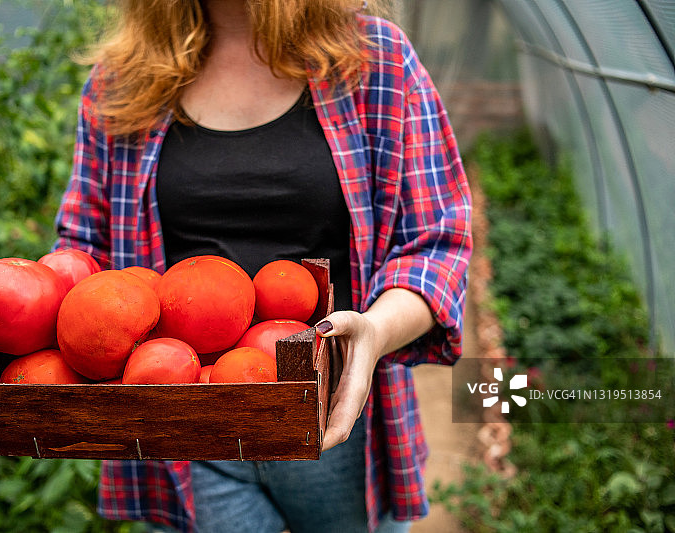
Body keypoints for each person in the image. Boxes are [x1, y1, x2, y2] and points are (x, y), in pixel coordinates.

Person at [53, 0, 472, 532]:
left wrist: (375, 331)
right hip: (187, 432)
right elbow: (82, 248)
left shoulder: (373, 61)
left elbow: (437, 242)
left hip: (337, 418)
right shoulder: (123, 82)